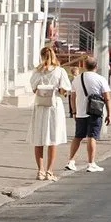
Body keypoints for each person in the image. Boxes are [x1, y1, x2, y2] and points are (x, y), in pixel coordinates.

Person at [28, 46, 72, 180]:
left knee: (39, 138)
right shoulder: (59, 71)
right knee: (53, 139)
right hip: (54, 106)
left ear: (41, 56)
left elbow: (34, 89)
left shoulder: (37, 71)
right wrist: (58, 90)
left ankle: (40, 171)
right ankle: (49, 171)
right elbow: (65, 89)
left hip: (40, 106)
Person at [65, 57, 111, 173]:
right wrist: (109, 114)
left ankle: (71, 161)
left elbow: (72, 97)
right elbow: (107, 98)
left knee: (78, 137)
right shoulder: (101, 79)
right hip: (94, 112)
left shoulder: (77, 79)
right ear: (96, 66)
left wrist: (74, 111)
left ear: (85, 66)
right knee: (92, 136)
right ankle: (91, 163)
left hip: (80, 112)